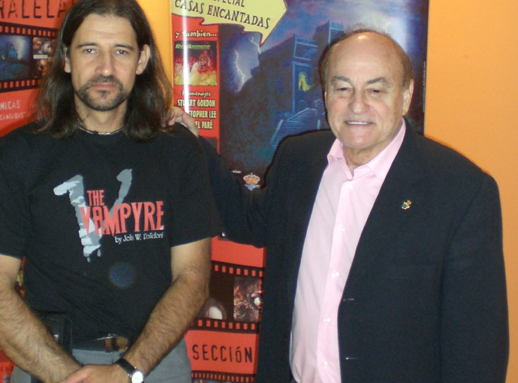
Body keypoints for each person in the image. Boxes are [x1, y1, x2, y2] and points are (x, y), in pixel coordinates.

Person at [194, 29, 509, 383]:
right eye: (343, 88)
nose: (357, 105)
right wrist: (191, 145)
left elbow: (477, 350)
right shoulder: (299, 160)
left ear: (406, 95)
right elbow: (249, 220)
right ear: (326, 95)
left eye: (376, 90)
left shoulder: (461, 192)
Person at [0, 0, 220, 383]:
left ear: (142, 60)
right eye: (89, 50)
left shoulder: (178, 151)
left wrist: (128, 370)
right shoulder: (20, 153)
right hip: (48, 361)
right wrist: (72, 377)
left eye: (121, 51)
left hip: (153, 362)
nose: (105, 68)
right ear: (66, 58)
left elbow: (193, 278)